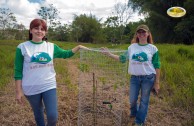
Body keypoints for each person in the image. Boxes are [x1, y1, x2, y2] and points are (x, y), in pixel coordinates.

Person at [14, 18, 89, 126]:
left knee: (53, 116)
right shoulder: (22, 47)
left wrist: (79, 47)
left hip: (48, 84)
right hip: (30, 87)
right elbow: (18, 71)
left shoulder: (51, 46)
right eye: (36, 28)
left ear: (45, 32)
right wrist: (18, 91)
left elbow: (66, 54)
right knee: (38, 113)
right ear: (30, 30)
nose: (39, 31)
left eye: (42, 29)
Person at [101, 24, 161, 126]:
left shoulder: (153, 48)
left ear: (148, 34)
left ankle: (139, 121)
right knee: (132, 99)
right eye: (139, 32)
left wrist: (157, 82)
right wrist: (109, 54)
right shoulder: (132, 47)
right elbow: (122, 59)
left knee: (144, 101)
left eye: (144, 32)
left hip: (148, 78)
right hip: (134, 78)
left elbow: (157, 65)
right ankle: (133, 113)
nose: (141, 34)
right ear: (137, 35)